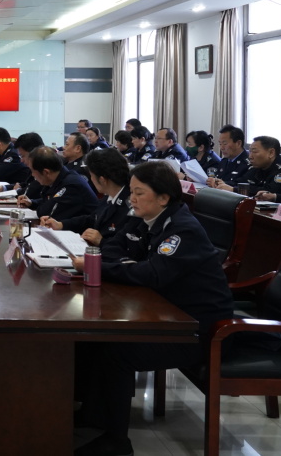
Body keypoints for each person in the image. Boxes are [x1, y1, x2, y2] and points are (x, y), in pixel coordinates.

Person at [70, 162, 233, 456]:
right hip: (164, 313)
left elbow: (153, 274)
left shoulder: (182, 230)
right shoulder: (144, 218)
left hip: (195, 329)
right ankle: (94, 416)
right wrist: (124, 264)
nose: (131, 199)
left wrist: (101, 268)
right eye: (131, 191)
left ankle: (117, 442)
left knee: (116, 353)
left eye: (139, 193)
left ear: (163, 197)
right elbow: (113, 246)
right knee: (90, 339)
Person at [39, 147, 131, 246]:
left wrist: (102, 241)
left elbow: (128, 247)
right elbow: (92, 219)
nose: (91, 179)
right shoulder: (109, 196)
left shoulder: (130, 205)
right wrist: (61, 224)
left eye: (91, 175)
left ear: (102, 180)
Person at [22, 146, 98, 220]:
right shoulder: (61, 178)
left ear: (46, 172)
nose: (32, 175)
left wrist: (38, 206)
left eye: (32, 171)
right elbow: (51, 200)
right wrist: (32, 202)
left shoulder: (71, 185)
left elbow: (46, 212)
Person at [216, 136, 281, 200]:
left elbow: (267, 192)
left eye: (254, 151)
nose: (250, 156)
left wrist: (233, 189)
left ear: (271, 153)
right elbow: (240, 182)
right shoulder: (256, 168)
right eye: (250, 151)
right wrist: (221, 184)